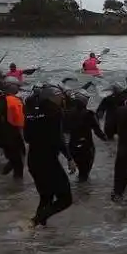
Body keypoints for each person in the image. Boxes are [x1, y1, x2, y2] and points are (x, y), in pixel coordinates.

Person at [23, 85, 77, 228]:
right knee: (66, 199)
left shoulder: (30, 112)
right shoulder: (55, 112)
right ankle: (34, 222)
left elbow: (27, 137)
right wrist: (69, 158)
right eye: (59, 97)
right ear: (51, 98)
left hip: (33, 160)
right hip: (48, 162)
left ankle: (39, 233)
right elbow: (58, 138)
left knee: (46, 197)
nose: (61, 99)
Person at [64, 90, 106, 182]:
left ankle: (80, 190)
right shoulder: (89, 114)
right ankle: (84, 192)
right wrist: (104, 138)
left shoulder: (67, 114)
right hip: (86, 146)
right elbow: (97, 130)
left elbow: (64, 130)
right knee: (85, 172)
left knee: (80, 170)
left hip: (73, 146)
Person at [0, 77, 26, 179]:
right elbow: (19, 123)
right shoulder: (14, 101)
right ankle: (17, 188)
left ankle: (1, 177)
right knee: (19, 163)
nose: (18, 89)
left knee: (12, 159)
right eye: (17, 86)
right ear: (12, 87)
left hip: (1, 135)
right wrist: (22, 137)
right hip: (13, 135)